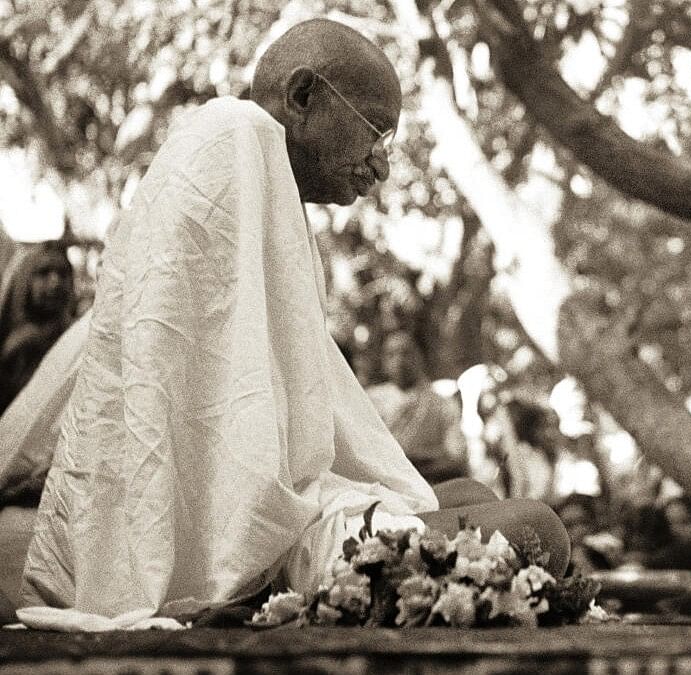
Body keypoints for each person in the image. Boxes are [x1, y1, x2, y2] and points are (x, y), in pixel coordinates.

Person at [19, 18, 566, 622]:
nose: (380, 167)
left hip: (273, 505)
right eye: (375, 133)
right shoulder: (233, 138)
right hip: (233, 532)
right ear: (304, 96)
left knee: (475, 497)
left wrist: (351, 497)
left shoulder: (261, 172)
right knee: (534, 528)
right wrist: (283, 533)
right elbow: (201, 422)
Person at [366, 332, 470, 484]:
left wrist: (416, 463)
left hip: (430, 485)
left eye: (406, 353)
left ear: (419, 357)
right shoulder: (370, 401)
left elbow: (455, 457)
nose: (400, 361)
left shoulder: (441, 404)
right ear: (383, 361)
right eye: (391, 354)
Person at [0, 243, 75, 416]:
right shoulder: (10, 339)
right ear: (24, 280)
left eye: (63, 273)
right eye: (43, 272)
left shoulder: (75, 338)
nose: (55, 282)